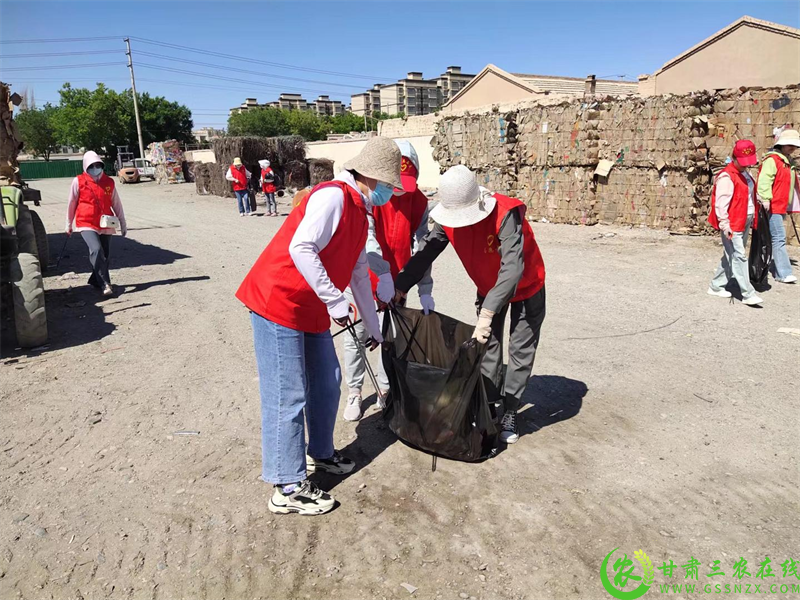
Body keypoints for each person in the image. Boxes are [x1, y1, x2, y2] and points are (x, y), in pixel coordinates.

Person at [235, 137, 402, 516]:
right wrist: (333, 299)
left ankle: (321, 454)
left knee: (327, 380)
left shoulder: (362, 212)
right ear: (372, 177)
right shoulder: (333, 197)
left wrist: (373, 327)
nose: (392, 192)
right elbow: (301, 247)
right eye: (391, 184)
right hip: (278, 299)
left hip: (310, 306)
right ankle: (287, 485)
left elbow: (359, 272)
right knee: (288, 394)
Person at [395, 165, 546, 445]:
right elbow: (426, 251)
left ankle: (510, 410)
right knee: (487, 348)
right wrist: (400, 284)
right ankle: (487, 405)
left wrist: (488, 312)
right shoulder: (446, 219)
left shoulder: (505, 214)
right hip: (487, 286)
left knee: (520, 349)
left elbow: (513, 269)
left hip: (528, 286)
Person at [342, 140, 435, 422]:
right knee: (356, 337)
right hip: (361, 277)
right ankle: (355, 391)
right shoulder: (370, 194)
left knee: (390, 339)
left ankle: (385, 389)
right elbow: (367, 237)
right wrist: (380, 272)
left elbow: (423, 248)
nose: (398, 189)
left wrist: (424, 288)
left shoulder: (418, 202)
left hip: (397, 285)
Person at [707, 140, 763, 305]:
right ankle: (748, 293)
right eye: (743, 162)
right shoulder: (726, 177)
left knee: (731, 254)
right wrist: (725, 225)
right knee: (739, 256)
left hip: (746, 219)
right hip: (733, 223)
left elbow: (748, 192)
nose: (746, 165)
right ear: (734, 157)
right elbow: (721, 204)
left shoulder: (746, 173)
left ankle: (716, 286)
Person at [65, 151, 127, 297]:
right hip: (86, 222)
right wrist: (68, 223)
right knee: (96, 249)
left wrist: (123, 223)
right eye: (92, 166)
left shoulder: (109, 182)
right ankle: (105, 282)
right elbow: (71, 203)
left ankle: (95, 279)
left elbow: (116, 203)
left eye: (98, 165)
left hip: (106, 223)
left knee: (105, 254)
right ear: (86, 166)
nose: (95, 168)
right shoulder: (78, 181)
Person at [757, 128, 800, 284]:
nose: (792, 148)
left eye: (794, 145)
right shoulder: (773, 160)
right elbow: (764, 180)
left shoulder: (787, 162)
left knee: (769, 238)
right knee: (778, 238)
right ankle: (783, 273)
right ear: (782, 144)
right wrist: (766, 199)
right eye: (789, 144)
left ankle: (763, 264)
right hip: (773, 206)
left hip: (780, 205)